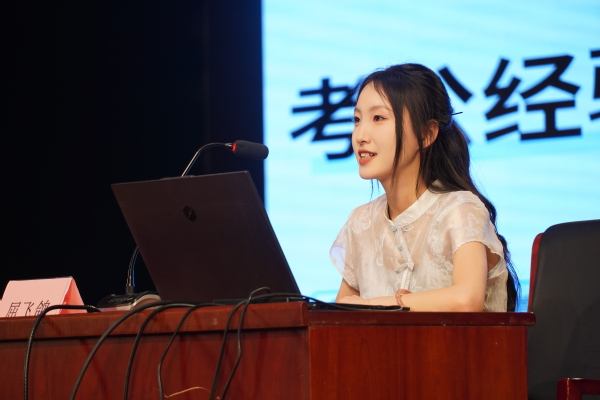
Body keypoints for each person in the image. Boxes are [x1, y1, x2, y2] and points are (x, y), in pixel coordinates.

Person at [330, 63, 519, 312]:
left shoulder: (460, 210)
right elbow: (340, 311)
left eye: (378, 118)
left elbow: (467, 300)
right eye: (357, 120)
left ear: (427, 133)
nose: (360, 135)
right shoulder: (361, 222)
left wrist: (375, 305)